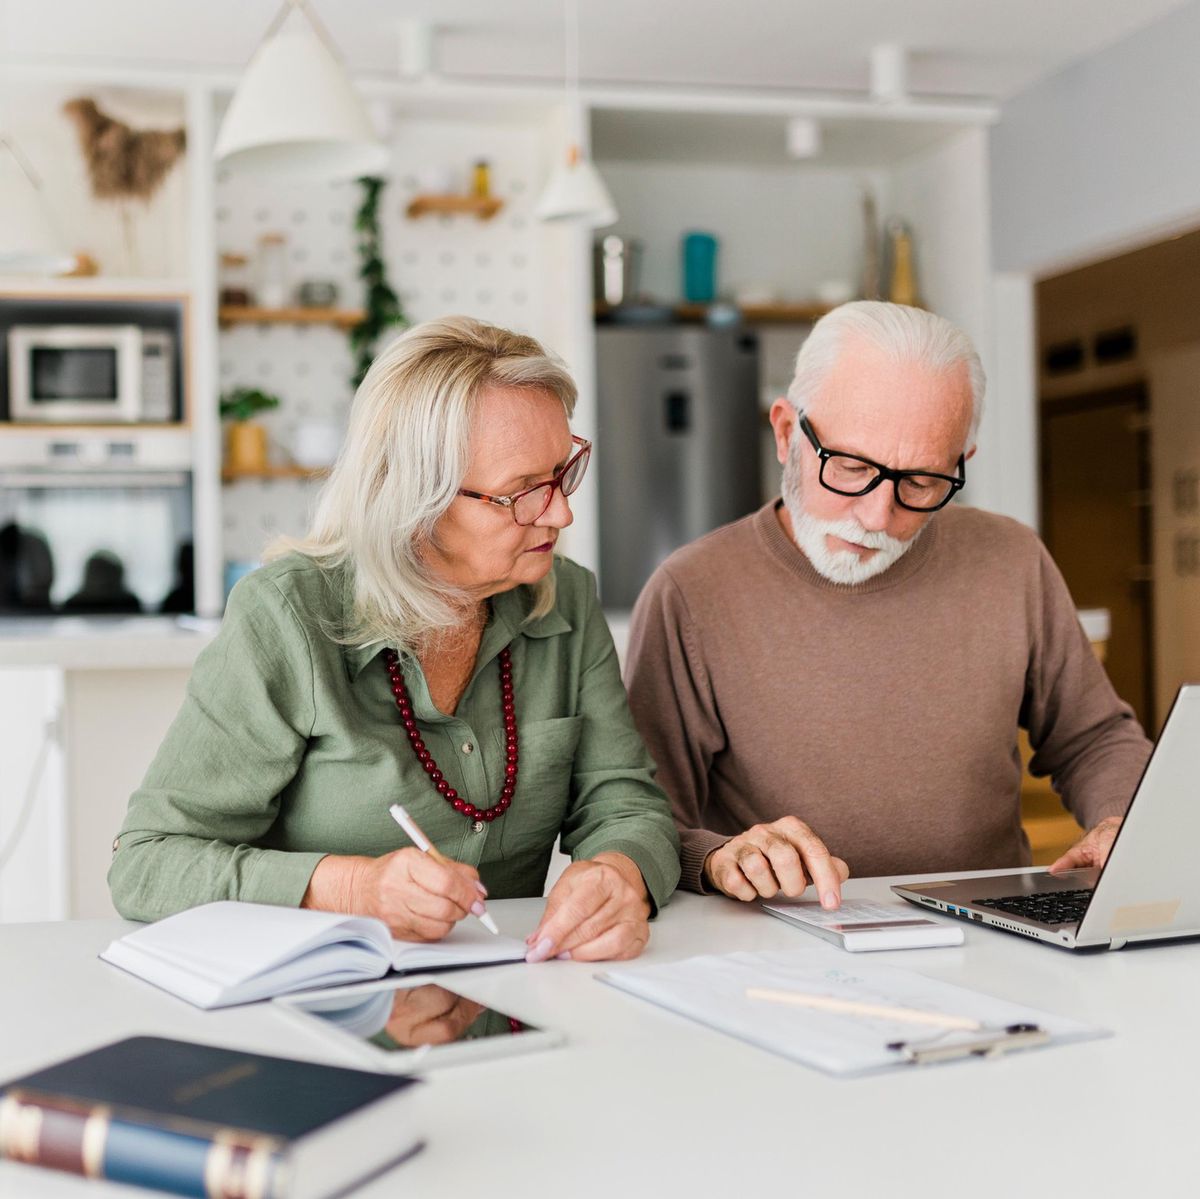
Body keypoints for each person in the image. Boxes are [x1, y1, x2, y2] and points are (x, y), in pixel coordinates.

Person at [110, 316, 680, 964]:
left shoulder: (566, 599)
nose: (560, 512)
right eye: (522, 492)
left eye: (562, 472)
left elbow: (625, 803)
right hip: (316, 1009)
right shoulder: (287, 615)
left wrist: (619, 874)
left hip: (515, 993)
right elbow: (148, 864)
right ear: (416, 499)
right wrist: (355, 887)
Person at [625, 301, 1152, 904]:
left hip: (990, 933)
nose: (878, 516)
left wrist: (1120, 822)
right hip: (783, 945)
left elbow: (1095, 738)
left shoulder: (1011, 559)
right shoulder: (691, 592)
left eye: (922, 481)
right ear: (786, 432)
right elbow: (639, 819)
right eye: (849, 467)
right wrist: (718, 857)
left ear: (961, 464)